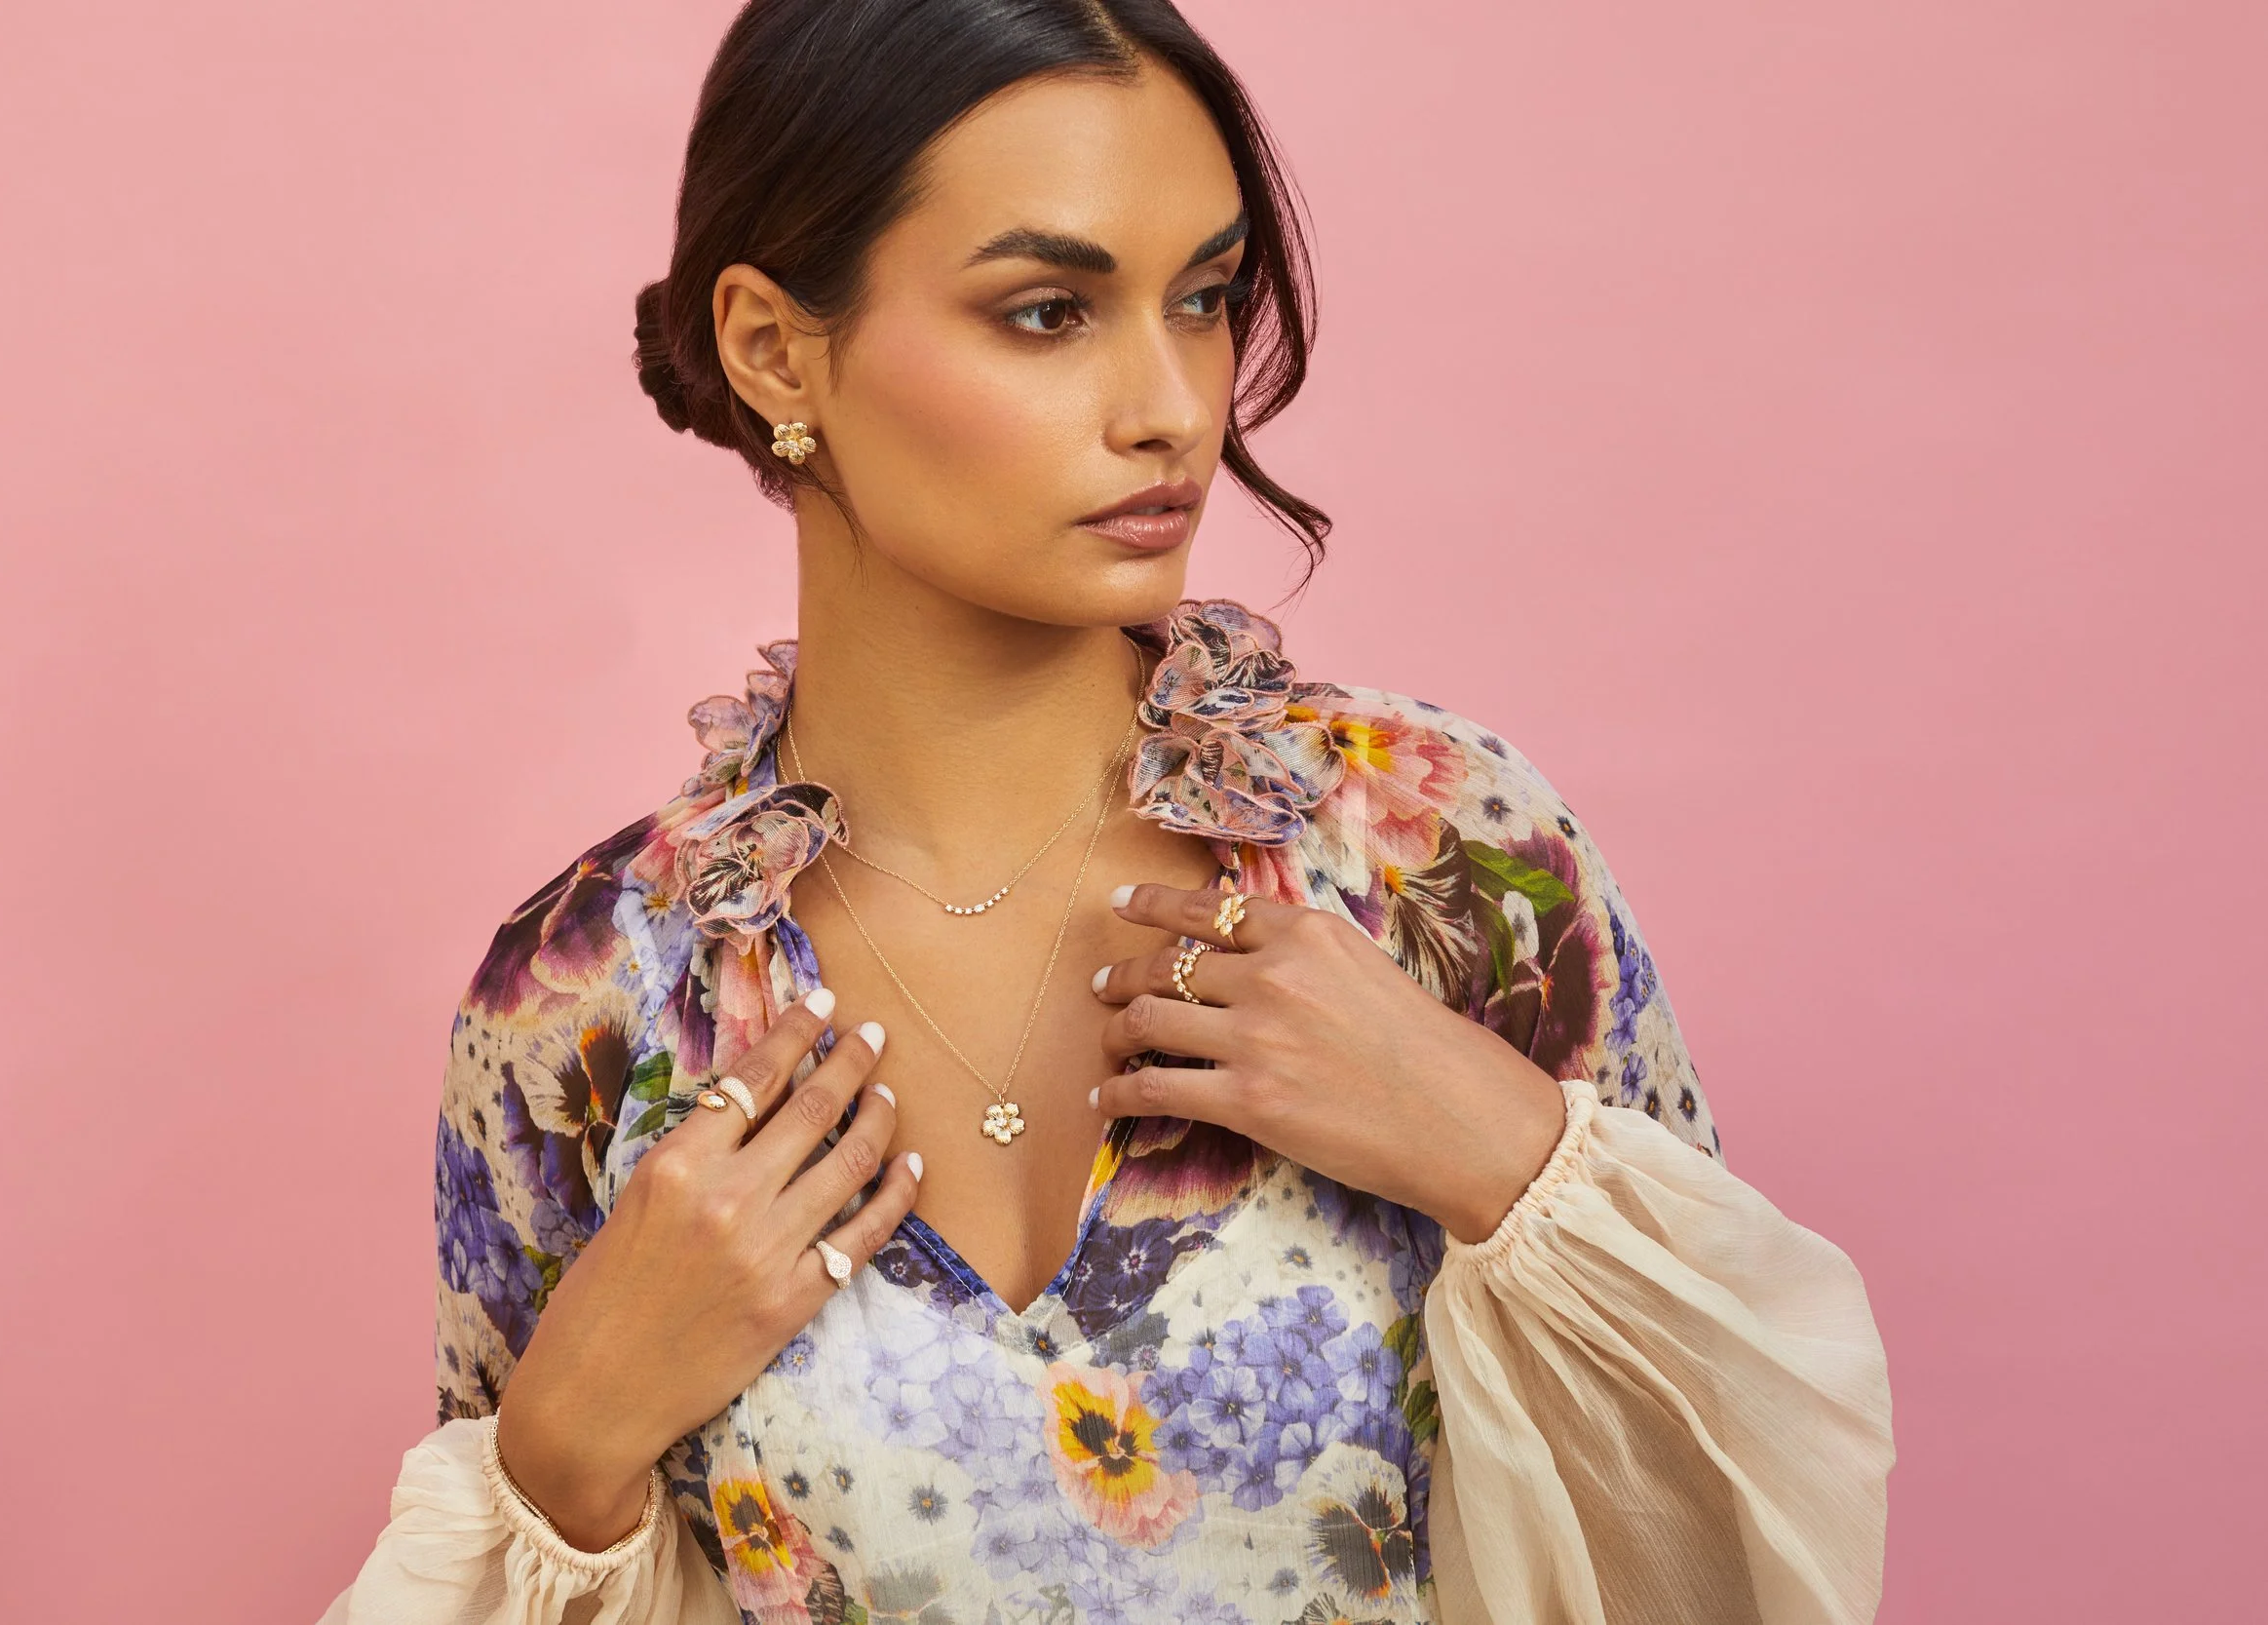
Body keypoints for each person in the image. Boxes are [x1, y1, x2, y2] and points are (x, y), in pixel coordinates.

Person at [319, 2, 1895, 1620]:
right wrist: (562, 1453)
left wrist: (1505, 1151)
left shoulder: (1435, 856)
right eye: (1051, 310)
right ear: (775, 347)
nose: (1174, 405)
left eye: (1204, 300)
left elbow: (1732, 1550)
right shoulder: (586, 1004)